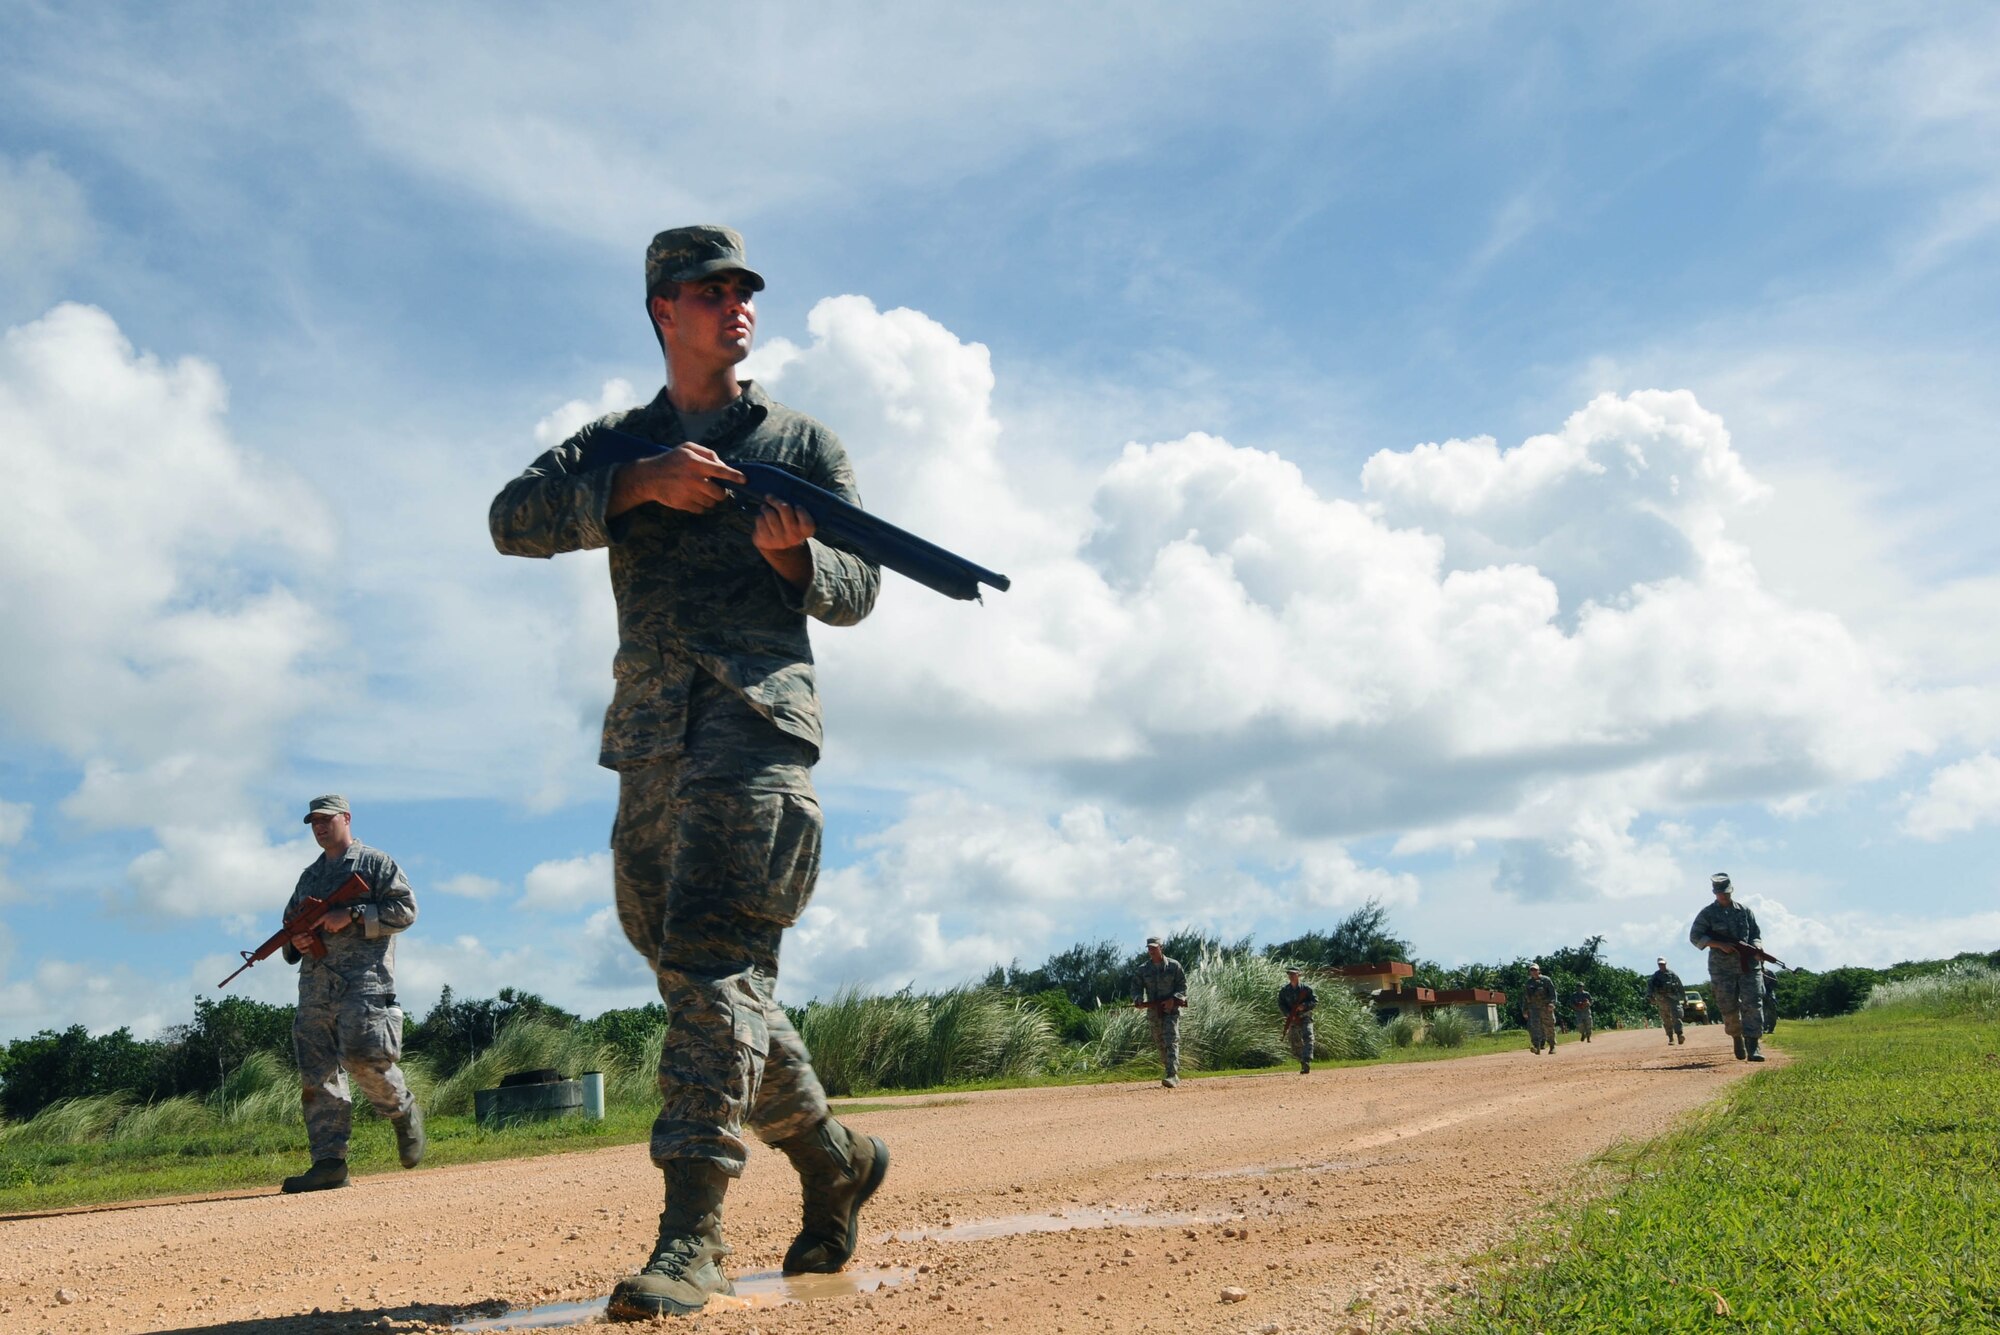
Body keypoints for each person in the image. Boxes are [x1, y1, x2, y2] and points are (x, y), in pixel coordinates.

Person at [489, 225, 888, 1319]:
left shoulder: (800, 443)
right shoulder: (615, 445)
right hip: (650, 741)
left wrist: (796, 557)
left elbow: (860, 586)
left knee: (715, 970)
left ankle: (691, 1236)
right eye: (712, 291)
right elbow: (508, 522)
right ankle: (834, 1158)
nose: (736, 304)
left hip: (758, 728)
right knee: (700, 984)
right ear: (664, 309)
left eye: (743, 290)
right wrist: (633, 487)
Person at [280, 794, 424, 1193]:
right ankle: (328, 1163)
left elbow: (406, 910)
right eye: (313, 822)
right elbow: (289, 928)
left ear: (346, 818)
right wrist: (300, 942)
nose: (319, 827)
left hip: (364, 981)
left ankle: (401, 1110)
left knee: (364, 1058)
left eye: (326, 819)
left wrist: (355, 915)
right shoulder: (309, 877)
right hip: (315, 987)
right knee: (317, 1075)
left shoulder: (375, 863)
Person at [1690, 872, 1766, 1063]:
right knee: (1728, 1006)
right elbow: (1695, 937)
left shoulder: (1745, 911)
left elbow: (1756, 933)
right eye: (1720, 893)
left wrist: (1756, 946)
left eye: (1726, 893)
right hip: (1721, 969)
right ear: (1715, 893)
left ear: (1731, 891)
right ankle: (1736, 1036)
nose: (1723, 896)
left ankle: (1753, 1044)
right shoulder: (1707, 914)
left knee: (1753, 1004)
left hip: (1748, 965)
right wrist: (1718, 944)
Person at [1133, 937, 1188, 1087]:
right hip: (1153, 1012)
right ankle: (1168, 1069)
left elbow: (1182, 987)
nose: (1151, 951)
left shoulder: (1174, 966)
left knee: (1171, 1040)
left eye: (1154, 948)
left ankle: (1172, 1074)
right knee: (1160, 1043)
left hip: (1171, 1010)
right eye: (1149, 948)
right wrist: (1137, 999)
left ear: (1161, 947)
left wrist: (1174, 999)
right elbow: (1136, 987)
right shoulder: (1142, 969)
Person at [1278, 967, 1316, 1074]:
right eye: (1290, 974)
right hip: (1293, 1019)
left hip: (1305, 1017)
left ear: (1299, 975)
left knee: (1308, 1037)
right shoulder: (1284, 990)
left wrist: (1304, 1006)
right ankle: (1302, 1060)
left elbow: (1314, 1001)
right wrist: (1288, 1014)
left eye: (1294, 974)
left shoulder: (1306, 989)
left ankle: (1306, 1059)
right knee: (1294, 1041)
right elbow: (1281, 1004)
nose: (1291, 976)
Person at [1645, 957, 1686, 1044]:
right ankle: (1670, 1037)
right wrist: (1650, 997)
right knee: (1666, 1019)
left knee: (1676, 1017)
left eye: (1663, 964)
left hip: (1673, 998)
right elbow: (1650, 987)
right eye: (1660, 964)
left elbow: (1680, 986)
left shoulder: (1672, 975)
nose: (1661, 966)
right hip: (1661, 1000)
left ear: (1665, 964)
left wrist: (1685, 998)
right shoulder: (1655, 976)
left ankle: (1679, 1035)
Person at [1521, 963, 1557, 1055]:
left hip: (1545, 1008)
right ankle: (1537, 1047)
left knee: (1549, 1026)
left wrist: (1552, 1003)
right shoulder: (1528, 983)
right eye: (1531, 970)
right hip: (1534, 1009)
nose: (1533, 972)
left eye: (1535, 970)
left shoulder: (1546, 980)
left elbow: (1553, 994)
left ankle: (1552, 1046)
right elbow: (1526, 997)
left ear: (1539, 971)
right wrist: (1524, 1010)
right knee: (1534, 1028)